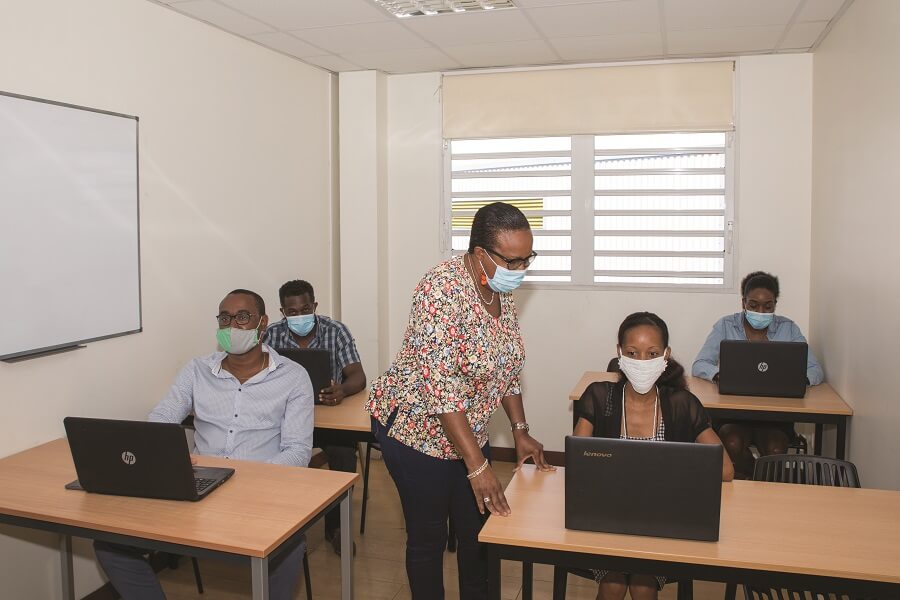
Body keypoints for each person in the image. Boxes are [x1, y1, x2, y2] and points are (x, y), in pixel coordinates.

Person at [366, 202, 555, 600]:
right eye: (514, 260)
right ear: (480, 253)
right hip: (417, 431)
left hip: (466, 428)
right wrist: (479, 465)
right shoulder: (439, 290)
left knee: (477, 534)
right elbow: (442, 388)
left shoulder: (499, 287)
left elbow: (506, 363)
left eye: (527, 259)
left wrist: (520, 430)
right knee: (428, 536)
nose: (521, 269)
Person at [93, 289, 314, 600]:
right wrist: (152, 448)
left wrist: (246, 477)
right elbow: (166, 413)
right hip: (196, 484)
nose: (232, 326)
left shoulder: (293, 377)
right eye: (225, 318)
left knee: (290, 549)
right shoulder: (197, 370)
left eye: (242, 318)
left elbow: (297, 452)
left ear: (263, 323)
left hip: (261, 492)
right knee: (109, 542)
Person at [574, 311, 734, 600]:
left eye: (652, 353)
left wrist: (678, 477)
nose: (642, 362)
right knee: (613, 582)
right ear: (619, 353)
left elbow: (726, 470)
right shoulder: (599, 397)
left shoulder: (681, 403)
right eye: (633, 353)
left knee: (642, 583)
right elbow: (578, 466)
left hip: (664, 518)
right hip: (608, 517)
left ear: (666, 356)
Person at [263, 279, 366, 554]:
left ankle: (336, 527)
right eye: (292, 312)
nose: (299, 316)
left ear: (315, 306)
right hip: (285, 418)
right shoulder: (270, 336)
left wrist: (341, 390)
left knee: (344, 452)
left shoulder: (336, 331)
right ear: (283, 312)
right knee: (265, 450)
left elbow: (358, 376)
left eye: (305, 309)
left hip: (326, 415)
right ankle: (283, 526)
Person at [691, 271, 824, 477]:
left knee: (776, 448)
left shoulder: (788, 329)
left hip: (776, 414)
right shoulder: (725, 325)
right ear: (743, 302)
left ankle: (765, 491)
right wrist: (720, 375)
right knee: (732, 442)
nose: (760, 311)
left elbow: (815, 369)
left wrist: (799, 380)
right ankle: (754, 478)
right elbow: (700, 364)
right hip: (733, 413)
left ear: (775, 305)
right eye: (753, 305)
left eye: (767, 306)